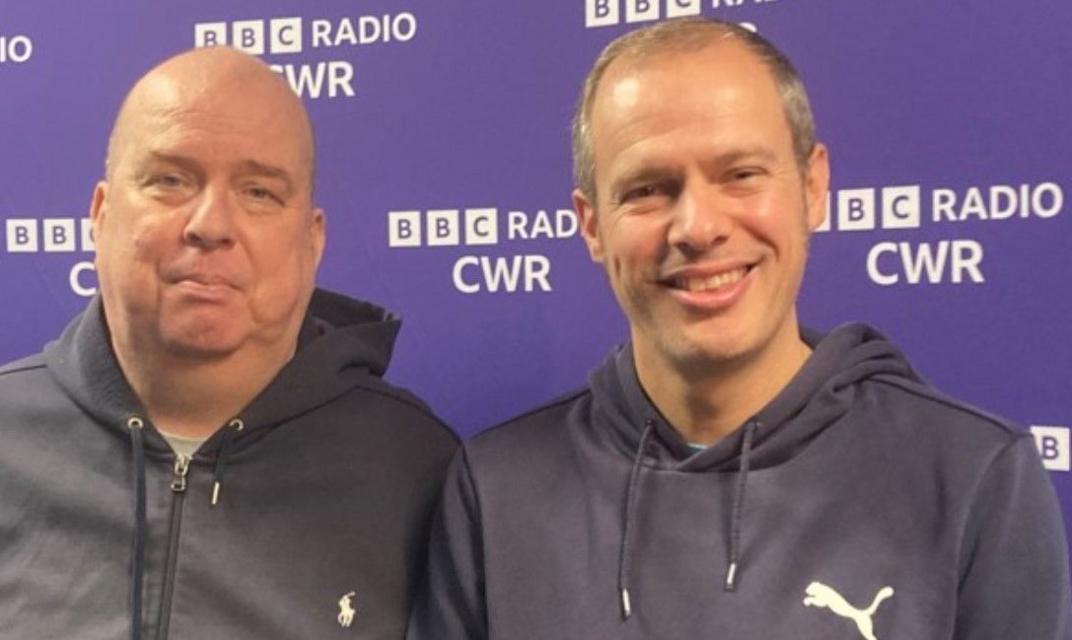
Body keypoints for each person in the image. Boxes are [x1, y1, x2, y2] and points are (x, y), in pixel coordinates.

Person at [408, 18, 1070, 639]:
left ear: (813, 187)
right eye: (647, 189)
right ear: (591, 225)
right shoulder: (493, 492)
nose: (698, 226)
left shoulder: (973, 476)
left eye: (741, 174)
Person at [0, 47, 458, 639]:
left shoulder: (417, 471)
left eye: (259, 192)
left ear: (312, 241)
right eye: (171, 180)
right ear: (99, 215)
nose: (211, 224)